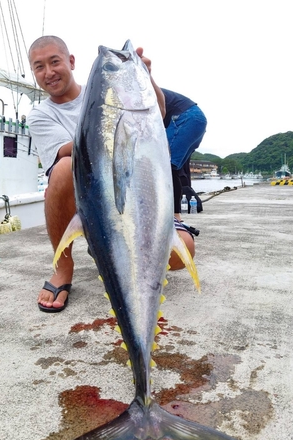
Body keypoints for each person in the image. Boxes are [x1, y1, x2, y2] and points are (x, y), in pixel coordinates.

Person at [27, 36, 195, 312]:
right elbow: (66, 150)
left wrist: (146, 79)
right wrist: (112, 120)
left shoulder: (110, 88)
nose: (49, 72)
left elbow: (157, 113)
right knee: (62, 169)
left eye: (54, 61)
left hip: (131, 195)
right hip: (89, 203)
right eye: (39, 67)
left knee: (183, 252)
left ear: (70, 62)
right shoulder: (40, 115)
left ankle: (119, 250)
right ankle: (64, 267)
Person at [162, 88, 207, 219]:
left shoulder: (142, 91)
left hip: (184, 118)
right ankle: (175, 215)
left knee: (166, 165)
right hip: (196, 119)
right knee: (172, 168)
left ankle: (175, 216)